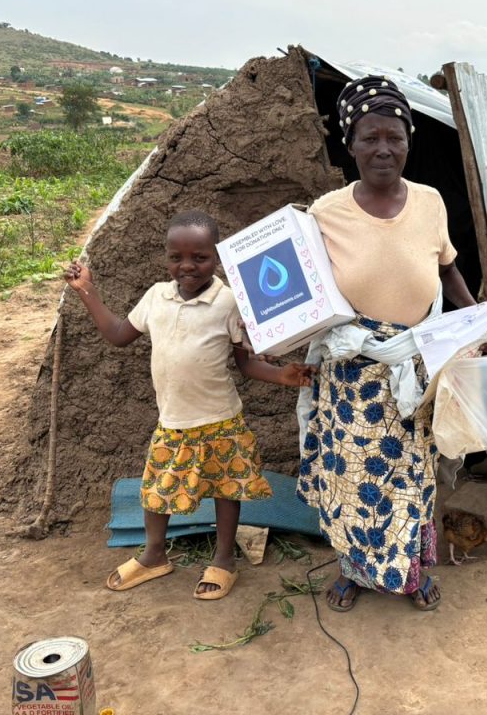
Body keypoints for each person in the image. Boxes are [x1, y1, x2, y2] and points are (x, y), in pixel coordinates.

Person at [65, 210, 314, 600]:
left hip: (220, 419)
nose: (187, 266)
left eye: (199, 257)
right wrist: (87, 291)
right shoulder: (155, 298)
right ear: (165, 258)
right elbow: (117, 335)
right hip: (174, 421)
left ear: (215, 257)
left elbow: (245, 363)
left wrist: (282, 375)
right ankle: (153, 555)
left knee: (226, 489)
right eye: (176, 257)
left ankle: (224, 558)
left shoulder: (229, 302)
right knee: (156, 490)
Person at [297, 76, 477, 612]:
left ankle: (413, 572)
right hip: (351, 374)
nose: (383, 149)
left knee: (413, 479)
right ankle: (353, 570)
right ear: (349, 144)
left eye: (394, 137)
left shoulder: (430, 202)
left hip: (414, 370)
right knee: (350, 476)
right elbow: (298, 294)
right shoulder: (324, 213)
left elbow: (449, 272)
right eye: (370, 137)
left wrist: (481, 323)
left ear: (409, 140)